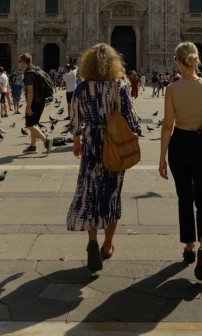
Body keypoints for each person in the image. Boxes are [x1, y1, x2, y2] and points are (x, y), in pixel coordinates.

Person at [66, 43, 142, 272]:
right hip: (114, 147)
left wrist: (77, 141)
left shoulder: (81, 89)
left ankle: (92, 241)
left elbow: (75, 123)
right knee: (111, 194)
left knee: (90, 193)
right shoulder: (120, 87)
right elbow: (132, 119)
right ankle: (107, 246)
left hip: (91, 146)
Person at [158, 42, 202, 281]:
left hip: (180, 145)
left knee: (185, 198)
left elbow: (168, 126)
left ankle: (189, 245)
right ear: (197, 60)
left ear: (178, 61)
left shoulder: (172, 89)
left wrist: (161, 158)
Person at [19, 53, 50, 153]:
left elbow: (30, 92)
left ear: (24, 62)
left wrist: (28, 107)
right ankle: (32, 146)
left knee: (29, 125)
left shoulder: (29, 73)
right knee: (34, 124)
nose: (19, 64)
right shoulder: (37, 69)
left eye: (20, 61)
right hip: (41, 100)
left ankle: (46, 141)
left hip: (34, 102)